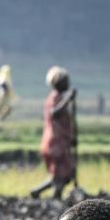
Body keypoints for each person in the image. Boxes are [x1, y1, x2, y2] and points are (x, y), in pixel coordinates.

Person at [29, 66, 76, 200]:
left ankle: (38, 192)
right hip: (55, 143)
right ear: (58, 83)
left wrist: (70, 138)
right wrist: (68, 99)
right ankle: (55, 200)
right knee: (60, 176)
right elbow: (54, 113)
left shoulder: (59, 98)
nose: (68, 84)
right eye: (66, 81)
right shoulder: (55, 98)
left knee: (62, 176)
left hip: (60, 141)